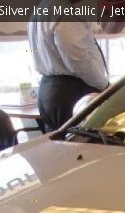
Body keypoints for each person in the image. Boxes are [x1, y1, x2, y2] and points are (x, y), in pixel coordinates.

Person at [28, 0, 109, 131]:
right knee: (82, 147)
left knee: (59, 148)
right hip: (71, 93)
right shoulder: (66, 14)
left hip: (48, 92)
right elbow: (79, 61)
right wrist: (105, 86)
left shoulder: (40, 10)